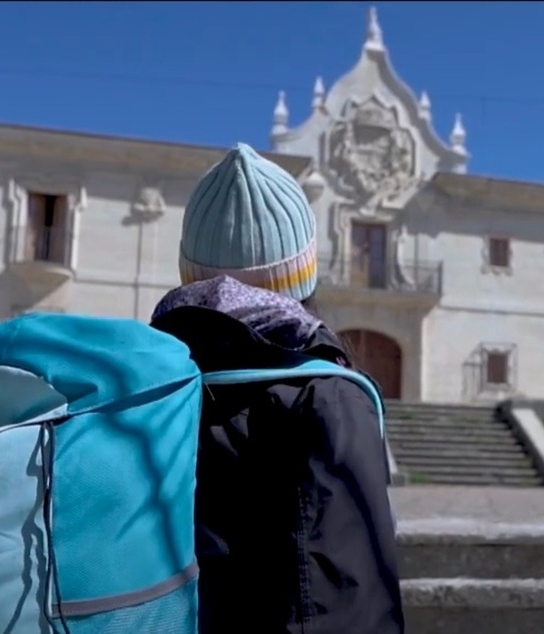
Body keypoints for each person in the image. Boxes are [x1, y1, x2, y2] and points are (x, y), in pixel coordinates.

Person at [149, 143, 405, 634]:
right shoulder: (327, 396)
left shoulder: (138, 385)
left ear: (188, 269)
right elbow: (348, 601)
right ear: (304, 270)